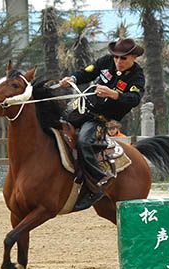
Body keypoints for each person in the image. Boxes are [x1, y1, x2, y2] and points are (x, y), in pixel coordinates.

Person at [59, 37, 145, 209]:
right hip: (81, 109)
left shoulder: (137, 76)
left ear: (134, 57)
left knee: (84, 141)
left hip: (100, 119)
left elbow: (134, 99)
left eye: (123, 58)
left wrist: (114, 94)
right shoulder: (105, 62)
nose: (118, 61)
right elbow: (87, 72)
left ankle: (96, 183)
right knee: (53, 126)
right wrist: (73, 79)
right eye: (116, 57)